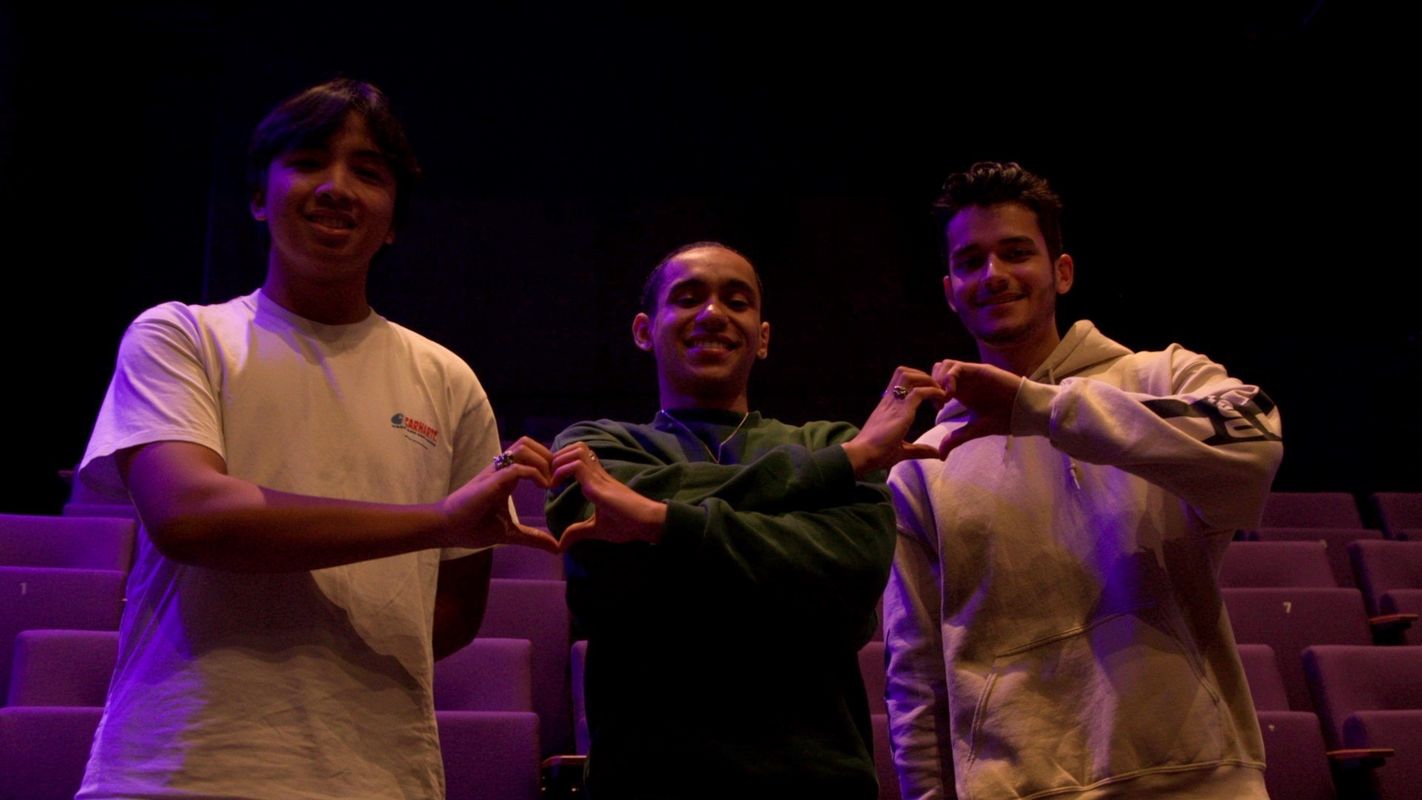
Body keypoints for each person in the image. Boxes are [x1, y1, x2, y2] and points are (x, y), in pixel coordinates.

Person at [74, 78, 557, 799]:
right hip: (175, 768)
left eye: (368, 172)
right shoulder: (180, 336)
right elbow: (190, 516)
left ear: (393, 223)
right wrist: (436, 520)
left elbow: (452, 612)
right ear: (257, 197)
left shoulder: (449, 381)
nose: (336, 188)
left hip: (378, 776)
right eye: (307, 162)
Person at [883, 161, 1284, 799]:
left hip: (1196, 775)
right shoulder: (923, 462)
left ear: (1062, 271)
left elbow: (1256, 442)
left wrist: (1040, 409)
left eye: (1017, 252)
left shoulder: (1161, 377)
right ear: (951, 290)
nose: (994, 274)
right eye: (971, 262)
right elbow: (915, 673)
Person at [545, 242, 945, 798]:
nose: (713, 314)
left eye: (737, 302)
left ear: (763, 338)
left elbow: (848, 580)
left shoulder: (826, 438)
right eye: (688, 298)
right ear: (643, 330)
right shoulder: (592, 446)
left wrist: (658, 522)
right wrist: (838, 468)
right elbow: (609, 585)